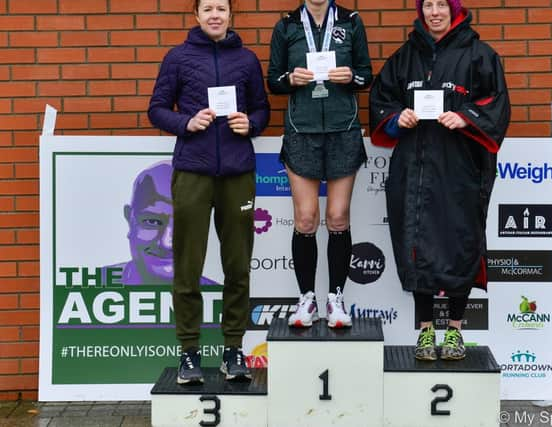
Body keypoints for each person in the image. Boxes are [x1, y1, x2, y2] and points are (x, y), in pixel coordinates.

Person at [369, 0, 510, 360]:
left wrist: (466, 118)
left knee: (461, 243)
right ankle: (425, 333)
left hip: (461, 169)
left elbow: (497, 103)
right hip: (413, 169)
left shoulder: (480, 55)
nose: (434, 11)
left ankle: (456, 333)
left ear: (454, 9)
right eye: (427, 5)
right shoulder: (405, 56)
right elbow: (381, 99)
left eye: (441, 4)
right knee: (416, 246)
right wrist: (397, 118)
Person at [148, 0, 270, 383]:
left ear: (231, 14)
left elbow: (263, 110)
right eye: (208, 8)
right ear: (196, 16)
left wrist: (249, 123)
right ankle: (189, 353)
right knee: (188, 266)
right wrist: (187, 122)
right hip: (193, 173)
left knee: (237, 264)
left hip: (238, 174)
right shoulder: (178, 57)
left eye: (221, 8)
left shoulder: (247, 59)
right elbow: (156, 109)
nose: (215, 15)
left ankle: (233, 349)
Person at [267, 0, 372, 329]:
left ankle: (336, 298)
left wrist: (351, 76)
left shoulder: (351, 21)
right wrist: (291, 78)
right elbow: (273, 81)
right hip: (302, 131)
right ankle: (306, 299)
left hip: (344, 130)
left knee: (338, 217)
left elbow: (366, 77)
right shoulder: (286, 25)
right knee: (306, 217)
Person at [103, 161, 216, 286]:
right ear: (130, 219)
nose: (166, 244)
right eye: (152, 222)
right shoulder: (96, 284)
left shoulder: (217, 298)